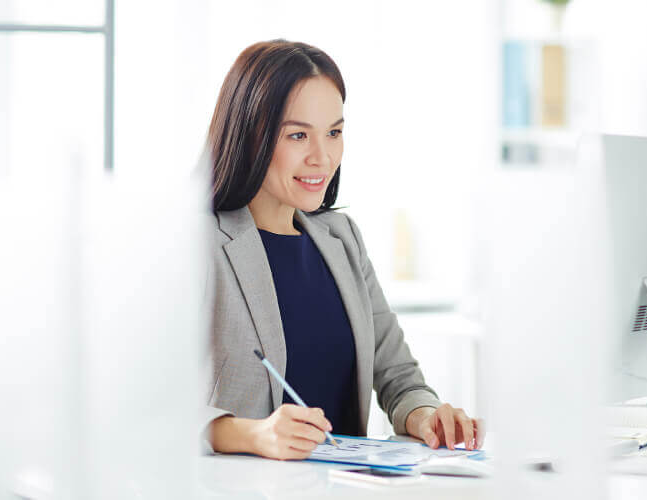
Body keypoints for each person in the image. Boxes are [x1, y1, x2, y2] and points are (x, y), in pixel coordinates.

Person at [205, 39, 484, 460]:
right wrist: (252, 435)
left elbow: (399, 377)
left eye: (334, 132)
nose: (323, 156)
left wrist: (426, 416)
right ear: (251, 136)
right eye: (298, 135)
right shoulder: (199, 244)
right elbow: (145, 403)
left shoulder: (341, 238)